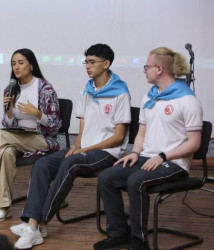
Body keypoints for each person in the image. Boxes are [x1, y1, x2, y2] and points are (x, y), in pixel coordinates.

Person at [10, 43, 131, 249]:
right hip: (84, 149)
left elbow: (119, 137)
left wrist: (84, 151)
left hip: (107, 152)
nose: (87, 66)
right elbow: (83, 127)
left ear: (106, 64)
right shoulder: (87, 89)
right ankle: (33, 224)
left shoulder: (120, 92)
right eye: (86, 62)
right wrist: (76, 146)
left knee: (72, 163)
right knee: (43, 165)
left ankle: (37, 223)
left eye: (92, 62)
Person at [93, 47, 203, 250]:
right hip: (147, 157)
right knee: (107, 177)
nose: (144, 70)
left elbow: (194, 144)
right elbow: (141, 132)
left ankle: (139, 241)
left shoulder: (187, 100)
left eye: (147, 66)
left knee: (136, 181)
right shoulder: (149, 97)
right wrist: (134, 152)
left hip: (174, 163)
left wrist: (163, 156)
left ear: (159, 69)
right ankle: (119, 233)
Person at [0, 48, 62, 223]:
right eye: (13, 63)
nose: (16, 67)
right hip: (16, 138)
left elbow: (55, 126)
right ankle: (4, 206)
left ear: (31, 65)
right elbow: (7, 126)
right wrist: (9, 110)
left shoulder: (45, 88)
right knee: (6, 152)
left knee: (0, 136)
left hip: (40, 138)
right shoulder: (10, 89)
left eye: (21, 63)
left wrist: (38, 114)